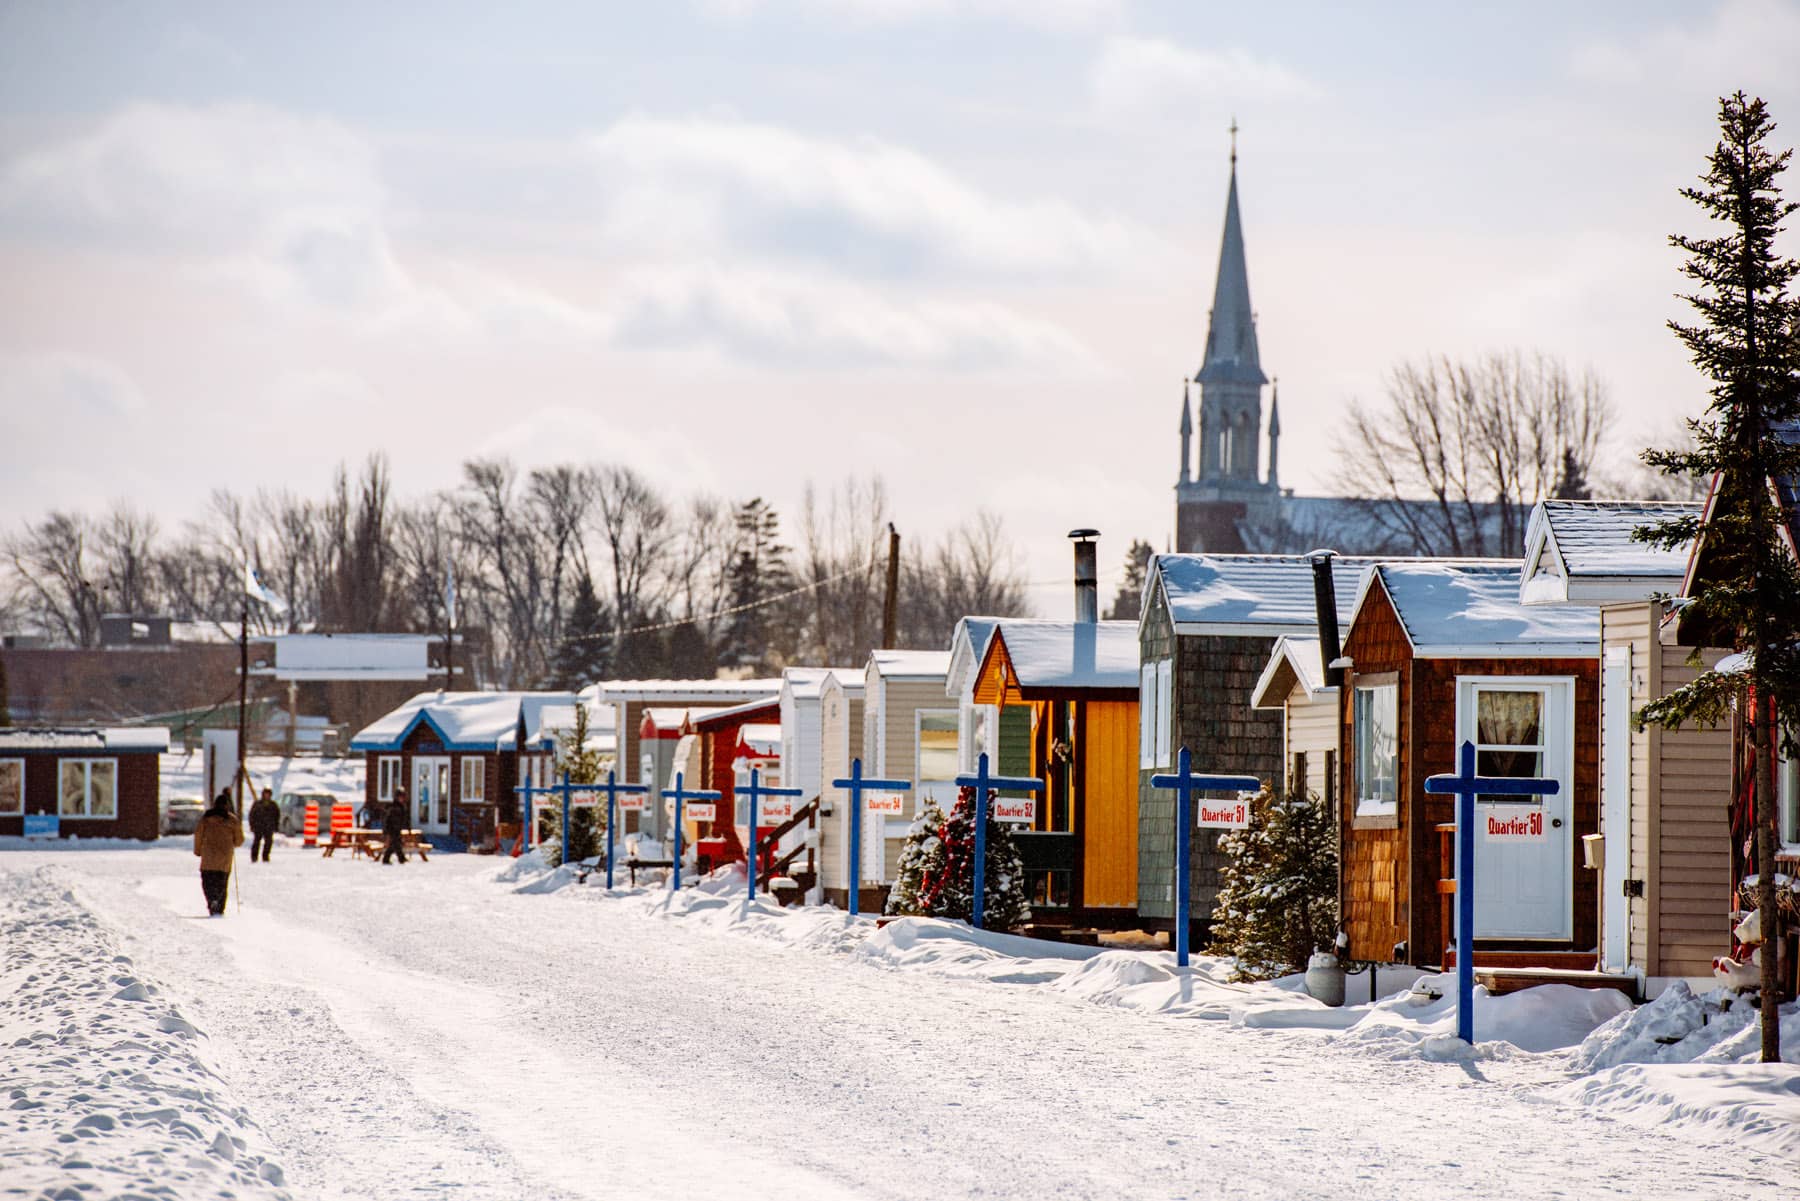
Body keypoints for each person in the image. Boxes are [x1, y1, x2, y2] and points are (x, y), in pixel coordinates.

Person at [193, 792, 243, 915]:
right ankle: (219, 906)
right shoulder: (232, 820)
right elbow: (239, 839)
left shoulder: (206, 818)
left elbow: (198, 834)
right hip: (224, 858)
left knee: (208, 881)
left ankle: (211, 900)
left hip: (208, 857)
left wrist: (198, 850)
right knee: (222, 883)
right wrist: (233, 843)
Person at [248, 787, 279, 863]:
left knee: (268, 842)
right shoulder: (257, 804)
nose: (267, 795)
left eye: (268, 794)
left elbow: (277, 815)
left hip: (269, 827)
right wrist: (252, 825)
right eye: (266, 794)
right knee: (256, 842)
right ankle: (254, 857)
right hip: (258, 826)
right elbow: (252, 815)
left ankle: (265, 856)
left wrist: (276, 825)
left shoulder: (273, 805)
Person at [381, 786, 409, 864]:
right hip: (391, 828)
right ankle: (401, 858)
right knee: (396, 843)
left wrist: (407, 826)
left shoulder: (402, 807)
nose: (402, 799)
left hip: (398, 828)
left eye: (403, 797)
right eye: (400, 797)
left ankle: (387, 858)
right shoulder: (393, 807)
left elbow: (405, 818)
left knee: (395, 844)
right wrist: (385, 830)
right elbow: (387, 819)